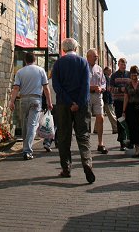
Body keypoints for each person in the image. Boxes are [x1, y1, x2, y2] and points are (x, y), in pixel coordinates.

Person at [52, 38, 95, 183]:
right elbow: (85, 85)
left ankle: (66, 168)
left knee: (64, 136)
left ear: (63, 49)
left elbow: (57, 87)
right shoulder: (83, 62)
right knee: (83, 136)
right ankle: (87, 163)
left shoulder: (58, 63)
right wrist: (79, 103)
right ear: (76, 48)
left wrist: (70, 102)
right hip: (81, 105)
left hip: (64, 104)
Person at [9, 52, 52, 160]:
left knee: (24, 123)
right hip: (36, 99)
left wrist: (12, 101)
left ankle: (25, 146)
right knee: (32, 125)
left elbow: (15, 88)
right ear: (35, 59)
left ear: (25, 60)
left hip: (23, 99)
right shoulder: (40, 70)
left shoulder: (20, 72)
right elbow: (46, 88)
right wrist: (49, 102)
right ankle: (27, 150)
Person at [123, 65, 139, 157]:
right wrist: (124, 111)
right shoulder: (128, 85)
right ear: (130, 75)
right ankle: (137, 150)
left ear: (138, 74)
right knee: (133, 129)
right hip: (131, 109)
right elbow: (126, 98)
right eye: (132, 75)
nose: (134, 77)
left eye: (136, 75)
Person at [87, 48, 108, 154]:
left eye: (97, 56)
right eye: (94, 56)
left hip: (98, 96)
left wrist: (101, 88)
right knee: (86, 120)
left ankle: (101, 143)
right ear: (88, 57)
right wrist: (90, 87)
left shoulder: (99, 69)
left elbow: (104, 82)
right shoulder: (83, 68)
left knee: (101, 118)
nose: (96, 58)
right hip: (86, 96)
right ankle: (86, 143)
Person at [110, 58, 131, 150]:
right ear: (118, 64)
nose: (124, 65)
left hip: (128, 102)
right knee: (120, 121)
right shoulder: (114, 75)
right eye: (122, 64)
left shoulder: (129, 74)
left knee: (129, 121)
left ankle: (129, 140)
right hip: (118, 101)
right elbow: (110, 88)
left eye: (125, 64)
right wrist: (119, 89)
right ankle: (122, 142)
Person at [42, 71, 57, 152]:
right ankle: (47, 142)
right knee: (55, 125)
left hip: (49, 105)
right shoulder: (59, 82)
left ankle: (52, 141)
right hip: (57, 105)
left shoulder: (48, 82)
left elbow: (44, 94)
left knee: (49, 124)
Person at [102, 66, 118, 134]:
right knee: (111, 114)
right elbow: (108, 89)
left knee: (100, 114)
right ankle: (115, 128)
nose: (110, 72)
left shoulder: (105, 77)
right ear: (105, 71)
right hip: (107, 98)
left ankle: (96, 129)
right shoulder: (107, 78)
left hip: (104, 98)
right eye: (109, 70)